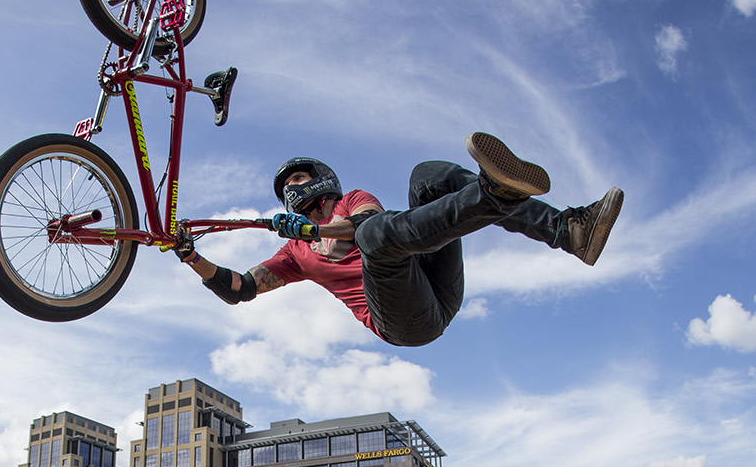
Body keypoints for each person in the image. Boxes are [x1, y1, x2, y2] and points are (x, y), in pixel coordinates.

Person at [173, 134, 623, 349]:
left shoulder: (352, 200)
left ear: (321, 179)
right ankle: (495, 194)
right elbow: (240, 289)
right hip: (403, 322)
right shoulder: (293, 254)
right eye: (289, 182)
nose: (295, 184)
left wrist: (315, 230)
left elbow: (364, 228)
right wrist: (193, 256)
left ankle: (568, 231)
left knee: (426, 178)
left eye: (300, 176)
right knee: (379, 242)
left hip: (434, 281)